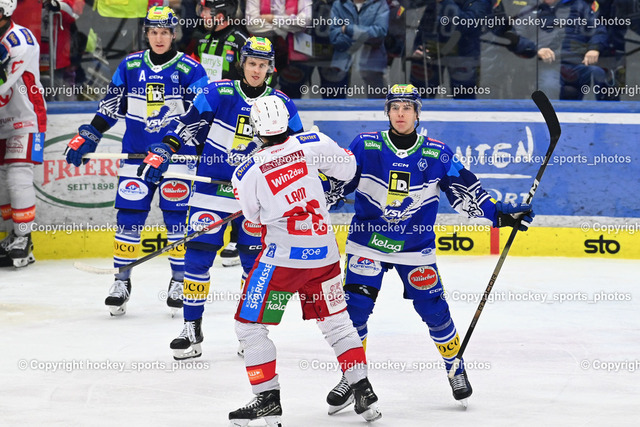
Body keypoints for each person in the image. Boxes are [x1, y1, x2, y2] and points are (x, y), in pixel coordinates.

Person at [324, 84, 535, 413]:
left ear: (417, 113)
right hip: (367, 243)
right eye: (395, 107)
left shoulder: (437, 153)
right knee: (355, 312)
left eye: (407, 107)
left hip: (415, 247)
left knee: (434, 311)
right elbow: (338, 182)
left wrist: (500, 214)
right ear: (387, 112)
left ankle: (455, 366)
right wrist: (311, 194)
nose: (401, 113)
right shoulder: (365, 145)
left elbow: (466, 190)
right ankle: (353, 377)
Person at [136, 36, 304, 361]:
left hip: (256, 199)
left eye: (262, 65)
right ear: (242, 63)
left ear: (270, 68)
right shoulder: (218, 92)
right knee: (196, 260)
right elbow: (186, 124)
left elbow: (297, 149)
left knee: (254, 266)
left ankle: (250, 332)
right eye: (252, 63)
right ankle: (191, 328)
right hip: (211, 193)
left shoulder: (281, 103)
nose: (256, 70)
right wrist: (164, 149)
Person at [227, 95, 381, 425]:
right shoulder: (313, 141)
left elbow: (253, 218)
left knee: (249, 325)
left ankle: (267, 397)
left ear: (255, 128)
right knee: (337, 322)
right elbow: (349, 168)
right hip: (323, 254)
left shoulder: (247, 170)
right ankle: (362, 390)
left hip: (283, 261)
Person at [63, 6, 209, 315]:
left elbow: (200, 117)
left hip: (177, 158)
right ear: (147, 33)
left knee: (176, 219)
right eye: (154, 32)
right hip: (137, 156)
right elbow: (110, 106)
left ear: (174, 34)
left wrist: (177, 148)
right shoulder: (129, 65)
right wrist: (91, 133)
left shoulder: (192, 70)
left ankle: (179, 281)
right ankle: (121, 282)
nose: (159, 38)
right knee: (129, 217)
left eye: (165, 32)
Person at [190, 0, 250, 267]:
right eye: (202, 11)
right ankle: (211, 229)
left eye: (207, 11)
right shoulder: (202, 40)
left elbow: (260, 77)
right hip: (209, 117)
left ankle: (238, 238)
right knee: (212, 174)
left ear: (222, 13)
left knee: (237, 175)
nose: (203, 15)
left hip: (234, 120)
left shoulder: (240, 40)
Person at [0, 0, 47, 268]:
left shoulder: (20, 40)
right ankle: (11, 235)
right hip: (1, 119)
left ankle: (23, 237)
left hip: (25, 117)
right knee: (1, 180)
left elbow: (1, 83)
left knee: (18, 174)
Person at [328, 0, 389, 99]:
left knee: (375, 104)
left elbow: (379, 33)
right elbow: (334, 36)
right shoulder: (339, 4)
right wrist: (363, 36)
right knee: (338, 103)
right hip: (342, 65)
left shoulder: (379, 4)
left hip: (372, 66)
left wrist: (348, 29)